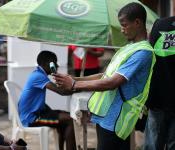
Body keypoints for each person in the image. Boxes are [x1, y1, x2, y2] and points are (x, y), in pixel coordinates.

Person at [54, 2, 156, 150]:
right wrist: (73, 79)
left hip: (117, 119)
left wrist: (74, 85)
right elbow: (105, 75)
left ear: (138, 23)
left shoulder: (143, 52)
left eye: (124, 25)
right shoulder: (128, 48)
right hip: (105, 116)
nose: (121, 30)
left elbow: (113, 82)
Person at [18, 51, 76, 150]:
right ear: (46, 63)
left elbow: (60, 89)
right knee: (69, 120)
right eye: (55, 63)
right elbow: (61, 92)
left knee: (68, 117)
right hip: (32, 118)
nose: (57, 65)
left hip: (39, 112)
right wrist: (80, 88)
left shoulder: (38, 73)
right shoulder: (39, 76)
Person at [143, 16, 175, 150]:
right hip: (158, 100)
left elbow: (149, 59)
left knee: (153, 144)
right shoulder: (159, 24)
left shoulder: (159, 24)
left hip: (157, 97)